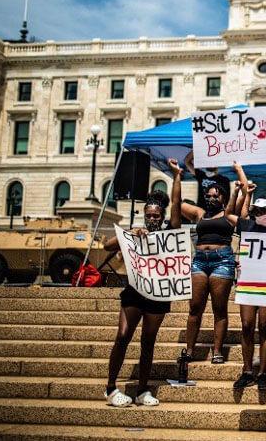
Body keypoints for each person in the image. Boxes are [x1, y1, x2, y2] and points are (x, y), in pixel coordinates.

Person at [103, 158, 182, 407]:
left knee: (148, 341)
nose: (152, 219)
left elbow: (178, 205)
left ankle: (142, 390)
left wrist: (177, 177)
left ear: (162, 216)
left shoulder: (170, 233)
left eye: (156, 216)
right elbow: (107, 245)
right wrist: (131, 233)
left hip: (158, 294)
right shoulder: (136, 231)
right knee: (123, 335)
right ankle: (110, 387)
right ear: (144, 215)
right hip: (135, 291)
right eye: (149, 215)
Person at [180, 161, 247, 366]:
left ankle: (217, 350)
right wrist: (178, 175)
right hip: (199, 262)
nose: (210, 198)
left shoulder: (229, 214)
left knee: (219, 309)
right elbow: (178, 204)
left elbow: (244, 191)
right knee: (195, 308)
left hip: (222, 261)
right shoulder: (200, 214)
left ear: (223, 198)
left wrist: (238, 170)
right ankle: (189, 349)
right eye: (208, 196)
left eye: (215, 195)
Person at [233, 185, 266, 391]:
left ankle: (262, 372)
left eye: (262, 211)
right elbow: (229, 215)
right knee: (246, 325)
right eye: (256, 211)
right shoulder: (247, 227)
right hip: (249, 280)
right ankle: (247, 370)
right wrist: (245, 193)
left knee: (265, 326)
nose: (258, 215)